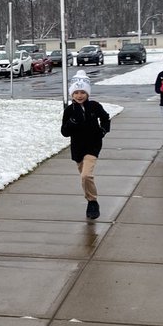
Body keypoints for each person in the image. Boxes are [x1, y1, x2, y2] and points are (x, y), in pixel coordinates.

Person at [61, 71, 111, 219]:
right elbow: (64, 132)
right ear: (72, 94)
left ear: (87, 93)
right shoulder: (69, 110)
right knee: (85, 178)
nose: (79, 95)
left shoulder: (94, 106)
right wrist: (72, 122)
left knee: (86, 175)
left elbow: (105, 118)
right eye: (76, 92)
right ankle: (91, 199)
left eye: (83, 92)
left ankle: (92, 202)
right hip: (78, 148)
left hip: (93, 145)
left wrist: (103, 130)